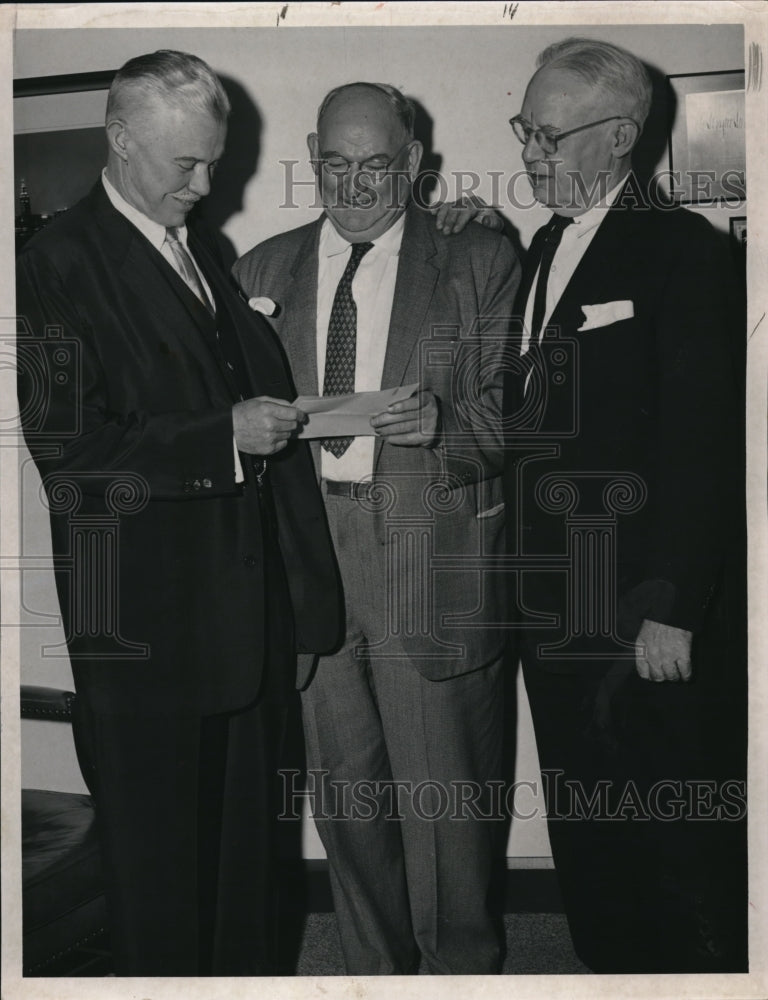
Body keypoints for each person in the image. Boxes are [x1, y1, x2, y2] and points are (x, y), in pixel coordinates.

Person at [16, 50, 341, 976]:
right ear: (119, 143)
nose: (205, 186)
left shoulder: (201, 249)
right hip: (148, 637)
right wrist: (223, 435)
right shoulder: (55, 263)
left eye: (214, 162)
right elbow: (71, 454)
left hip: (239, 625)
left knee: (245, 874)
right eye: (184, 165)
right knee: (161, 885)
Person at [234, 82, 520, 975]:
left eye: (377, 165)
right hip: (311, 570)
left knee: (449, 811)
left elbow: (529, 416)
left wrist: (447, 425)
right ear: (312, 156)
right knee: (345, 802)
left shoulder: (478, 257)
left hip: (431, 564)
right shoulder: (259, 271)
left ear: (415, 166)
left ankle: (462, 976)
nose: (354, 185)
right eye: (335, 164)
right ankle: (374, 975)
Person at [502, 37, 747, 973]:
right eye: (524, 129)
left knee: (677, 842)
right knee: (588, 834)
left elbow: (705, 443)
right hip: (552, 608)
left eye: (550, 135)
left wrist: (674, 608)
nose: (531, 152)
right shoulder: (544, 245)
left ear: (620, 139)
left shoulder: (682, 251)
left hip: (641, 615)